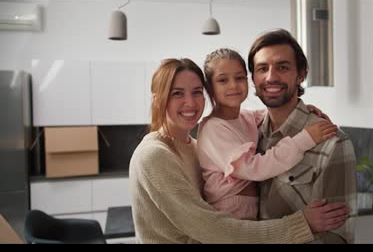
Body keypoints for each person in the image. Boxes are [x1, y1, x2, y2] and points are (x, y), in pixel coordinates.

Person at [128, 58, 351, 243]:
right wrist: (301, 224)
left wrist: (300, 110)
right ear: (157, 99)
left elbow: (252, 118)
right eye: (177, 93)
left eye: (196, 92)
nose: (190, 102)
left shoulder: (194, 147)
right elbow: (211, 228)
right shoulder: (154, 155)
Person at [197, 48, 338, 220]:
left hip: (252, 213)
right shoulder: (213, 129)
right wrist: (304, 140)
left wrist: (303, 110)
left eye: (239, 77)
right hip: (228, 215)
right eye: (223, 80)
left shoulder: (246, 118)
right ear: (210, 88)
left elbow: (270, 114)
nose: (233, 85)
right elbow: (255, 168)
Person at [247, 29, 357, 244]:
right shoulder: (248, 134)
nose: (271, 77)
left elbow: (337, 237)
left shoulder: (332, 144)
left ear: (301, 74)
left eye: (282, 67)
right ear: (253, 77)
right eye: (262, 68)